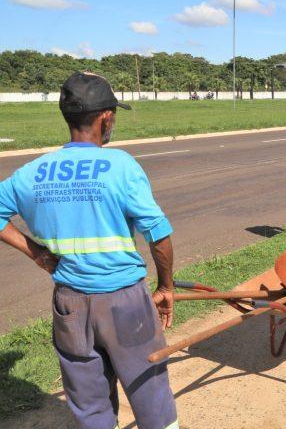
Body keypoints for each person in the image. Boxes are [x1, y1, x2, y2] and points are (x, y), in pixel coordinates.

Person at [0, 72, 178, 429]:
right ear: (105, 118)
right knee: (151, 394)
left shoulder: (33, 172)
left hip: (70, 304)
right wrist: (166, 287)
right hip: (125, 304)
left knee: (89, 404)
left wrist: (35, 252)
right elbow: (158, 235)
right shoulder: (121, 166)